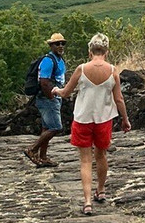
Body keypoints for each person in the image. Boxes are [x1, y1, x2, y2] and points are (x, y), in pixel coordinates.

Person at [56, 32, 131, 216]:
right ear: (106, 51)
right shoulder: (113, 71)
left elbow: (66, 93)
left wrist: (56, 90)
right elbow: (119, 99)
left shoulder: (81, 70)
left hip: (83, 119)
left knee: (85, 160)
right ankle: (101, 190)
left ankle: (88, 201)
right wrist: (125, 119)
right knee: (101, 155)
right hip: (104, 119)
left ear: (90, 51)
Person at [24, 32, 67, 168]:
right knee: (55, 127)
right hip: (48, 97)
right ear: (51, 46)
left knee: (46, 127)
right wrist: (51, 97)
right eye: (57, 44)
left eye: (62, 43)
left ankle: (43, 156)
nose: (60, 46)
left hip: (54, 96)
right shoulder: (49, 60)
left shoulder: (59, 60)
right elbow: (43, 82)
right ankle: (32, 149)